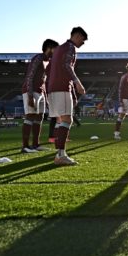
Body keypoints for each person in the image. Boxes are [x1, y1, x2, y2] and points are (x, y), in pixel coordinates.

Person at [47, 26, 88, 166]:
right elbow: (66, 65)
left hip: (52, 88)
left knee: (60, 121)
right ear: (76, 36)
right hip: (61, 87)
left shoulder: (58, 49)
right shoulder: (70, 48)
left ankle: (59, 153)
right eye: (82, 40)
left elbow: (50, 68)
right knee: (67, 120)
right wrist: (77, 82)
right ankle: (61, 155)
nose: (83, 43)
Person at [20, 38, 58, 154]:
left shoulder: (47, 61)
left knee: (39, 118)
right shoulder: (38, 58)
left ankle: (36, 144)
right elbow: (30, 77)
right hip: (31, 91)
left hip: (40, 92)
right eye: (55, 49)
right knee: (30, 116)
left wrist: (45, 98)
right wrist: (30, 96)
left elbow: (43, 81)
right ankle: (25, 146)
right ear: (49, 48)